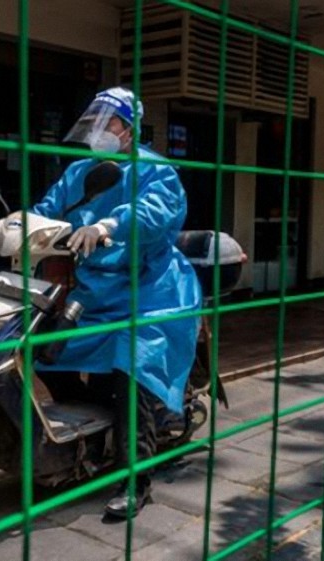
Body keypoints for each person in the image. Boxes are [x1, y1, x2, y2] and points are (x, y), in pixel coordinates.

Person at [31, 87, 201, 518]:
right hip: (96, 292)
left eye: (108, 122)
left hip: (152, 292)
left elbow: (154, 213)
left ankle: (135, 479)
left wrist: (110, 223)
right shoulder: (80, 171)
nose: (98, 130)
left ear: (128, 129)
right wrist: (18, 226)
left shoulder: (156, 171)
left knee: (130, 360)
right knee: (45, 351)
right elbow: (50, 210)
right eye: (95, 120)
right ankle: (96, 426)